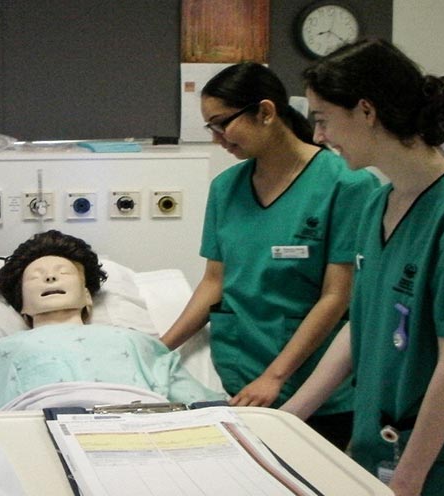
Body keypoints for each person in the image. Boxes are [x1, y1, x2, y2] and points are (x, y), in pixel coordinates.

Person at [281, 39, 444, 496]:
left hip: (443, 461)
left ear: (366, 111)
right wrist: (287, 419)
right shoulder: (377, 201)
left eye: (322, 119)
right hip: (379, 442)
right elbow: (362, 321)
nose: (318, 136)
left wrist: (407, 480)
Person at [159, 62, 379, 449]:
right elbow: (214, 283)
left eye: (222, 123)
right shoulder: (227, 188)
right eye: (211, 128)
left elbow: (337, 295)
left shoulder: (348, 184)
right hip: (238, 379)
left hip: (313, 388)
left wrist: (275, 377)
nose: (218, 139)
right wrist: (158, 349)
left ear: (265, 112)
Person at [0, 230, 226, 412]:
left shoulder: (136, 342)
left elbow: (204, 406)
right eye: (35, 276)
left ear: (88, 297)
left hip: (139, 424)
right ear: (22, 307)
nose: (50, 277)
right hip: (32, 428)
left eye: (63, 273)